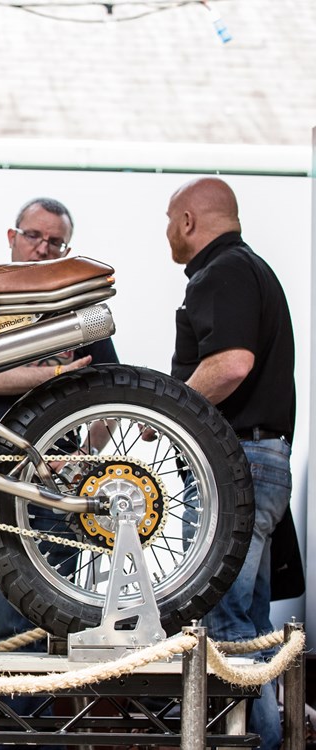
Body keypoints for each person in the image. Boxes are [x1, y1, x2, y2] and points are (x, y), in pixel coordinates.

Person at [0, 197, 119, 648]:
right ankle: (18, 700)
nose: (43, 247)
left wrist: (86, 455)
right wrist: (60, 373)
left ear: (67, 251)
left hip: (54, 481)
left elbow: (113, 397)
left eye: (55, 242)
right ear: (12, 237)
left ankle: (47, 699)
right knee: (6, 626)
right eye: (34, 236)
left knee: (56, 625)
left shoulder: (79, 309)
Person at [166, 176, 294, 750]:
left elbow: (231, 363)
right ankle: (269, 738)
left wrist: (168, 411)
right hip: (258, 462)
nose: (167, 233)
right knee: (249, 629)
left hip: (232, 465)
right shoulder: (252, 269)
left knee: (222, 626)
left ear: (188, 220)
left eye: (169, 221)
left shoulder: (222, 271)